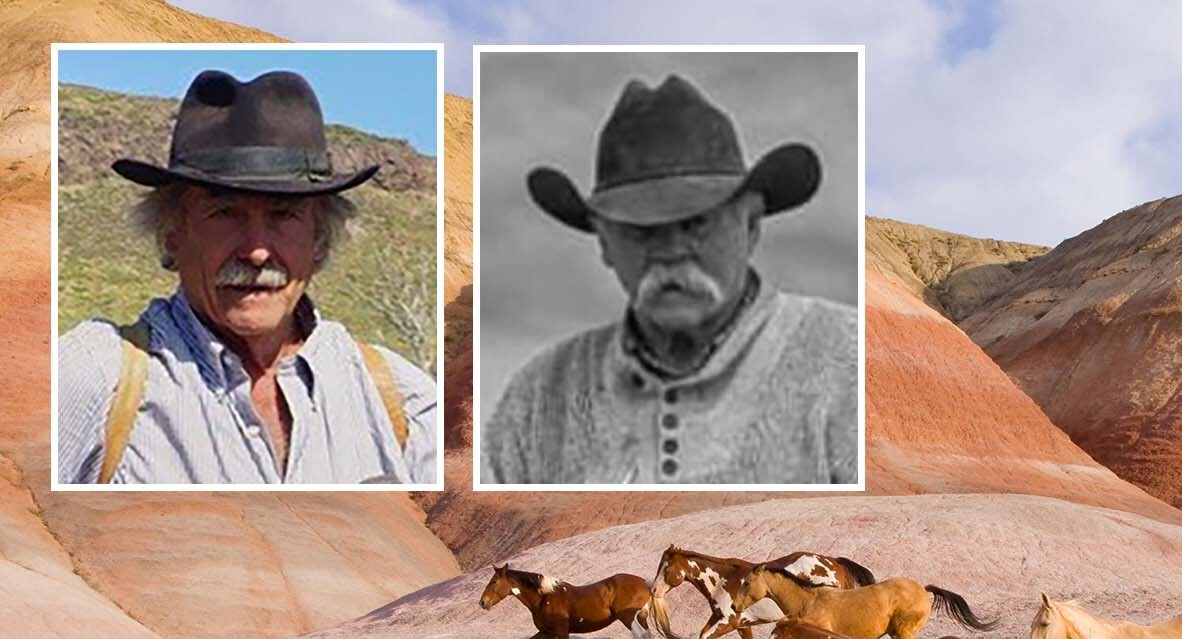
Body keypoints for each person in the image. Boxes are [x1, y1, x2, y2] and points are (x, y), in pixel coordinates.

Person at [57, 69, 436, 485]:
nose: (256, 249)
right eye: (224, 213)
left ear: (319, 240)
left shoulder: (398, 399)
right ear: (172, 236)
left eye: (283, 215)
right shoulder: (92, 379)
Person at [485, 73, 858, 485]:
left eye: (696, 223)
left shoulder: (846, 363)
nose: (670, 251)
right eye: (640, 229)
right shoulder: (538, 396)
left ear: (751, 225)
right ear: (604, 242)